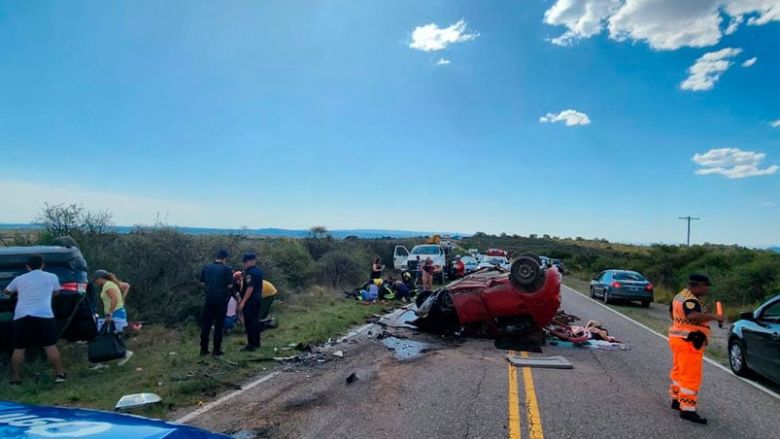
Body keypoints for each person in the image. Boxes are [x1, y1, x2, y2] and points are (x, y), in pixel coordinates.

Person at [668, 273, 724, 425]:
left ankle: (677, 399)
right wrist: (715, 317)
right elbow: (692, 316)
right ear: (697, 285)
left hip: (678, 338)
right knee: (691, 375)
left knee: (679, 371)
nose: (707, 289)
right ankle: (687, 409)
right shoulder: (690, 300)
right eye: (706, 286)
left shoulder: (680, 295)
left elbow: (671, 312)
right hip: (690, 341)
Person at [3, 255, 66, 384]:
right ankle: (59, 375)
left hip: (22, 316)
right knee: (50, 346)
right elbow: (57, 292)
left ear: (28, 267)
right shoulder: (52, 277)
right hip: (44, 314)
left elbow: (7, 291)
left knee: (19, 348)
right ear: (43, 265)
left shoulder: (19, 279)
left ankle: (16, 379)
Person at [199, 250, 233, 356]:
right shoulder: (227, 269)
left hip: (209, 299)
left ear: (216, 257)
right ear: (225, 258)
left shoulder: (207, 267)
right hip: (221, 301)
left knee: (206, 325)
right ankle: (216, 349)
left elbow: (202, 282)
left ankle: (203, 349)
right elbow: (230, 286)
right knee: (219, 325)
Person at [238, 253, 263, 351]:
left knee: (249, 322)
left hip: (250, 301)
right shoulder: (258, 271)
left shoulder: (249, 273)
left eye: (245, 262)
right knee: (255, 321)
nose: (244, 264)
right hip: (258, 299)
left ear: (248, 261)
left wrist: (243, 301)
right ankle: (256, 343)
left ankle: (251, 345)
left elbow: (250, 287)